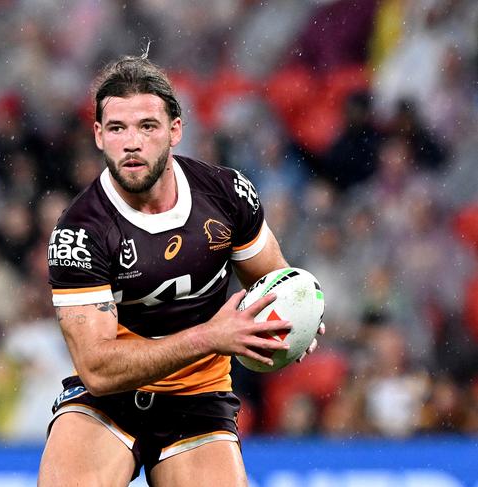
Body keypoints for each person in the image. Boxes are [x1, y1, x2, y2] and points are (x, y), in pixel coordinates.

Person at [38, 54, 324, 486]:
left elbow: (274, 284)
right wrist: (210, 336)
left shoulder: (228, 195)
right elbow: (97, 368)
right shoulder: (79, 232)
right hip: (108, 400)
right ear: (98, 135)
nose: (131, 143)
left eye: (147, 126)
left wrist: (292, 322)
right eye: (117, 128)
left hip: (199, 395)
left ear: (175, 130)